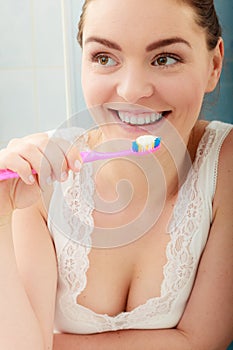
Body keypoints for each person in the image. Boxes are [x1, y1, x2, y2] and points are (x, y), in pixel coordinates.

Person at [0, 0, 232, 349]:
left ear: (214, 65)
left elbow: (201, 341)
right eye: (104, 58)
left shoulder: (225, 164)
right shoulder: (38, 184)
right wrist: (2, 211)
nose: (131, 91)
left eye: (165, 58)